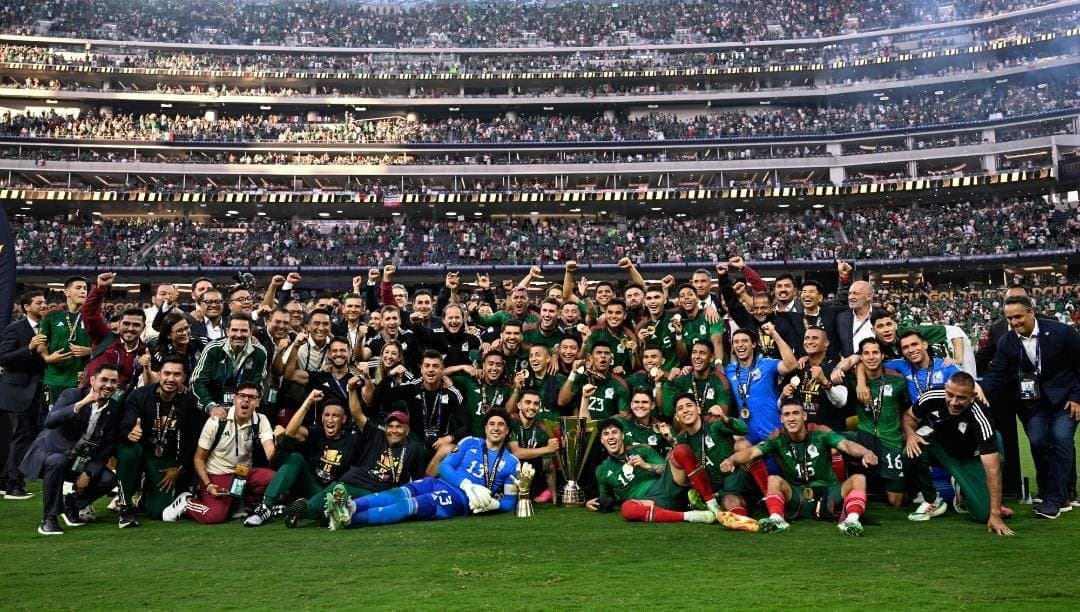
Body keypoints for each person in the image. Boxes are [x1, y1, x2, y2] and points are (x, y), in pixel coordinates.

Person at [328, 408, 521, 531]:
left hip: (457, 500)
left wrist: (491, 504)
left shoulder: (512, 463)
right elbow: (444, 467)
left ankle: (349, 520)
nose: (496, 428)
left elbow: (510, 502)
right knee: (397, 493)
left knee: (408, 505)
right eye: (492, 424)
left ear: (507, 431)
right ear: (485, 428)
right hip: (438, 482)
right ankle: (350, 506)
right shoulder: (470, 442)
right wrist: (468, 485)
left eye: (501, 425)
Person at [981, 295, 1080, 519]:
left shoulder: (1062, 332)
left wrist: (1077, 396)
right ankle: (1051, 491)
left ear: (1031, 312)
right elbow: (996, 374)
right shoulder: (1007, 341)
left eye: (1018, 317)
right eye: (1009, 318)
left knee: (1061, 438)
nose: (1014, 322)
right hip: (1035, 403)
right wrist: (978, 389)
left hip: (1066, 399)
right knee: (1037, 441)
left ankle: (1054, 499)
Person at [720, 400, 878, 536]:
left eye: (796, 413)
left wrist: (866, 452)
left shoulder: (820, 433)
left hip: (828, 492)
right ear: (781, 419)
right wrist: (731, 460)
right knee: (774, 480)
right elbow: (751, 452)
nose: (791, 418)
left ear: (804, 416)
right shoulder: (777, 439)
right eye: (787, 414)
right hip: (797, 495)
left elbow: (846, 445)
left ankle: (851, 522)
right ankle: (777, 519)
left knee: (859, 479)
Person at [903, 373, 1015, 535]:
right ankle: (932, 500)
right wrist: (911, 434)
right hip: (937, 445)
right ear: (946, 389)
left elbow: (993, 470)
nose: (954, 402)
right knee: (910, 452)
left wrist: (995, 514)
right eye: (950, 395)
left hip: (967, 458)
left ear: (972, 397)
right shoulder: (932, 395)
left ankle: (963, 488)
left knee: (983, 515)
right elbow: (909, 416)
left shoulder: (981, 416)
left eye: (961, 398)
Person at [843, 338, 942, 519]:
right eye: (866, 353)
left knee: (896, 502)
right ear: (860, 357)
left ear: (882, 355)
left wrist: (907, 433)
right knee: (835, 443)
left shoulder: (897, 381)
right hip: (866, 435)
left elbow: (905, 410)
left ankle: (913, 488)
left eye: (875, 353)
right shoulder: (852, 378)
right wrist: (859, 378)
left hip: (891, 438)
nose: (871, 357)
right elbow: (840, 368)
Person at [19, 364, 124, 535]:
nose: (108, 385)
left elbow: (107, 446)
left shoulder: (113, 408)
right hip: (48, 453)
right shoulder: (73, 395)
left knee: (107, 478)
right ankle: (49, 518)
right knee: (58, 460)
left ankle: (72, 505)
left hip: (78, 460)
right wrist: (82, 404)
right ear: (92, 380)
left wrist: (88, 473)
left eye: (113, 381)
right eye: (104, 380)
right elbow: (50, 421)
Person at [161, 381, 276, 524]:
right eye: (242, 396)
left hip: (242, 473)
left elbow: (270, 453)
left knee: (274, 479)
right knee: (215, 516)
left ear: (258, 402)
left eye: (252, 397)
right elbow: (198, 459)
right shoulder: (217, 420)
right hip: (217, 474)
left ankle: (238, 502)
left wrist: (281, 439)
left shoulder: (260, 419)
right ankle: (187, 502)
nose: (246, 400)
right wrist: (208, 485)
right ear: (234, 399)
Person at [244, 389, 359, 527]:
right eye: (327, 415)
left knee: (334, 492)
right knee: (296, 458)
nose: (330, 420)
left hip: (329, 493)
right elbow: (290, 432)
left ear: (344, 419)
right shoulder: (317, 433)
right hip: (310, 486)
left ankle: (290, 510)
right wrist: (308, 401)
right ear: (321, 418)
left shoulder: (351, 440)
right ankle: (266, 507)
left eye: (335, 416)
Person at [115, 356, 200, 523]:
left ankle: (144, 495)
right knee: (128, 453)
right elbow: (124, 424)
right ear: (159, 374)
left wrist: (179, 467)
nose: (171, 379)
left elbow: (192, 439)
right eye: (166, 373)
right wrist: (130, 432)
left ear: (184, 378)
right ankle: (125, 505)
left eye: (177, 375)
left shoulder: (188, 401)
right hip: (140, 450)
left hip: (163, 457)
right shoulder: (140, 395)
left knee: (157, 512)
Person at [585, 418, 718, 525]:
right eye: (606, 434)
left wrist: (646, 465)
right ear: (602, 440)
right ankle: (691, 516)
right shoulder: (602, 470)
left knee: (681, 450)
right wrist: (593, 503)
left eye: (614, 432)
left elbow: (669, 468)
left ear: (622, 436)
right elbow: (607, 499)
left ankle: (713, 506)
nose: (611, 437)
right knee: (627, 509)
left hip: (666, 486)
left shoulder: (641, 450)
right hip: (649, 502)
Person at [669, 393, 758, 525]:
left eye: (689, 406)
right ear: (677, 416)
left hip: (736, 478)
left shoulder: (713, 425)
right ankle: (744, 523)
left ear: (698, 409)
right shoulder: (681, 442)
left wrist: (724, 418)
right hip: (720, 491)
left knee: (743, 445)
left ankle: (765, 497)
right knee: (730, 502)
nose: (685, 410)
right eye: (680, 408)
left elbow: (743, 430)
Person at [0, 290, 48, 500]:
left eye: (44, 302)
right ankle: (13, 486)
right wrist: (28, 348)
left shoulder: (46, 328)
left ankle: (9, 480)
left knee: (28, 437)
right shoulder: (15, 329)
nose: (44, 305)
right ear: (26, 307)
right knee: (20, 437)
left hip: (38, 392)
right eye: (39, 303)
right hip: (18, 392)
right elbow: (4, 357)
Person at [190, 314, 268, 418]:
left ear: (250, 333)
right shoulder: (213, 349)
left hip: (243, 412)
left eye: (244, 330)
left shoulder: (259, 353)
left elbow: (257, 386)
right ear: (227, 331)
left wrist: (241, 410)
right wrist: (211, 407)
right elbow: (197, 382)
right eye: (234, 330)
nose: (239, 335)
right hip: (211, 410)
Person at [37, 276, 91, 408]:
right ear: (67, 292)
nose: (83, 291)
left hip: (80, 380)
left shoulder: (92, 316)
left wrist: (89, 350)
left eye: (85, 288)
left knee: (76, 421)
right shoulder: (52, 316)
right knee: (51, 421)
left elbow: (104, 345)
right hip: (54, 378)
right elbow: (40, 344)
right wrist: (48, 358)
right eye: (78, 288)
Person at [508, 388, 560, 502]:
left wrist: (555, 496)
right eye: (528, 402)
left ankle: (544, 493)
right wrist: (546, 449)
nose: (532, 407)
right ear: (519, 405)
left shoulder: (542, 429)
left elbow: (549, 466)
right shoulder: (511, 424)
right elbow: (516, 453)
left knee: (546, 461)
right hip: (507, 475)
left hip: (530, 476)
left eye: (536, 404)